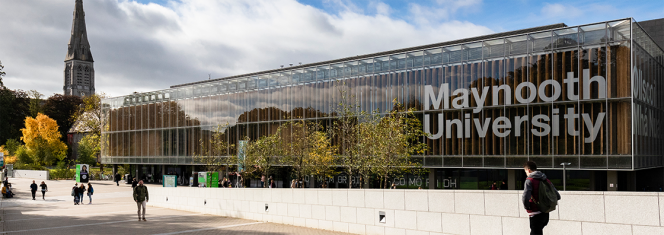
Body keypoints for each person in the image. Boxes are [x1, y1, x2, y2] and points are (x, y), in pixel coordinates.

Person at [523, 161, 561, 235]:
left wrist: (527, 207)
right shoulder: (545, 179)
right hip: (545, 213)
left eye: (525, 171)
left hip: (535, 213)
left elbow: (525, 197)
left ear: (528, 170)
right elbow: (557, 196)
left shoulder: (529, 180)